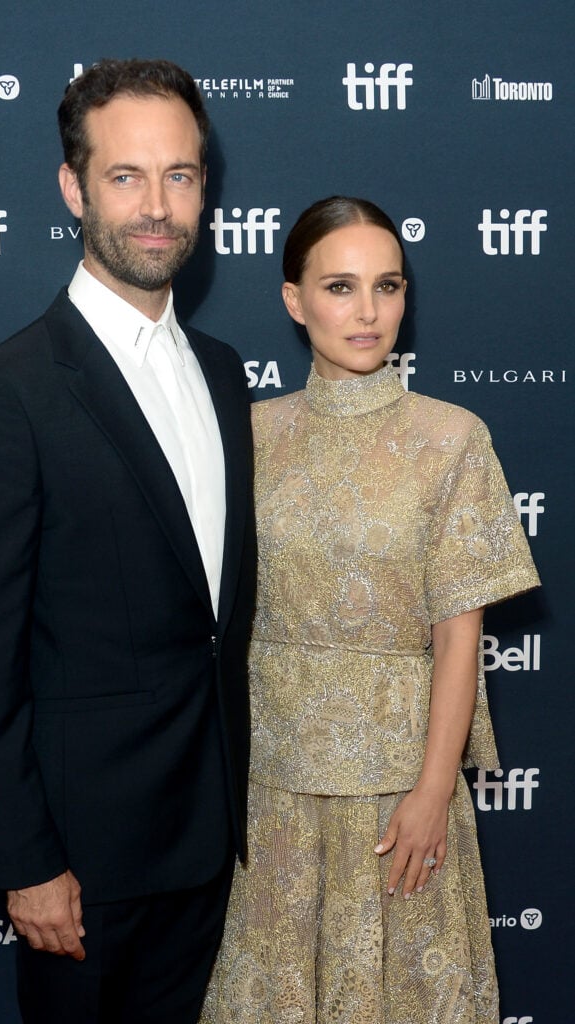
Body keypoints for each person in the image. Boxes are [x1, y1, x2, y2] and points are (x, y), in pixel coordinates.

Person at [0, 58, 256, 1024]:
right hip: (83, 871)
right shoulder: (9, 391)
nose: (157, 206)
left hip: (213, 843)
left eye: (180, 176)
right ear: (72, 187)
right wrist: (27, 864)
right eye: (125, 176)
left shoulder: (226, 374)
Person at [200, 196, 539, 1024]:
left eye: (386, 287)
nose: (367, 311)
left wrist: (431, 791)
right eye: (339, 287)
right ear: (293, 300)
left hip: (399, 789)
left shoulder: (452, 438)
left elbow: (458, 638)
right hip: (270, 789)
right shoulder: (245, 435)